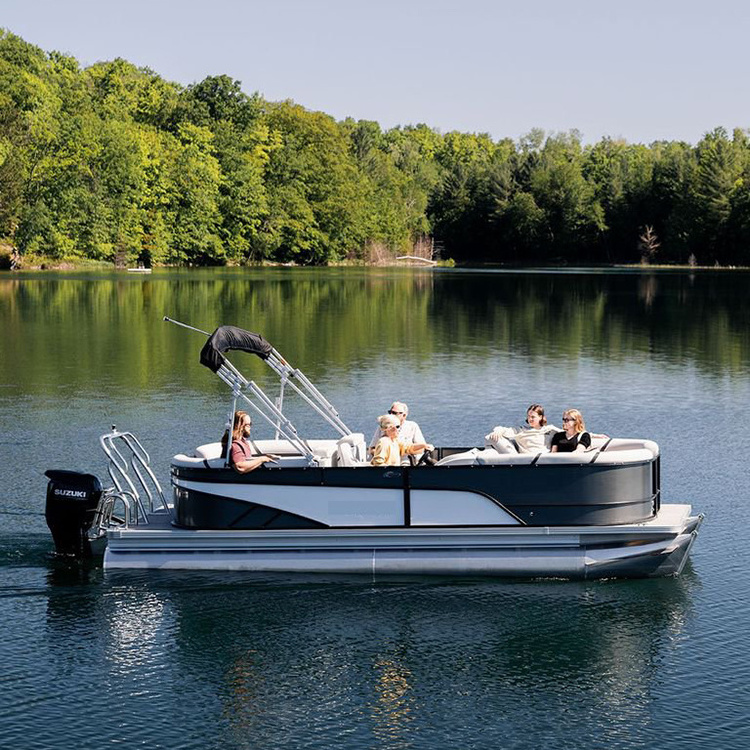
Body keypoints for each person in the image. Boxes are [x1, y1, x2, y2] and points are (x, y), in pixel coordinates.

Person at [485, 404, 559, 453]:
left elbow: (564, 433)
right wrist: (497, 431)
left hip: (545, 459)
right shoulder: (521, 430)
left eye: (533, 417)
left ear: (540, 417)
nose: (530, 419)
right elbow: (503, 429)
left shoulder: (550, 429)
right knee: (490, 437)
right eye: (528, 416)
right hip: (523, 461)